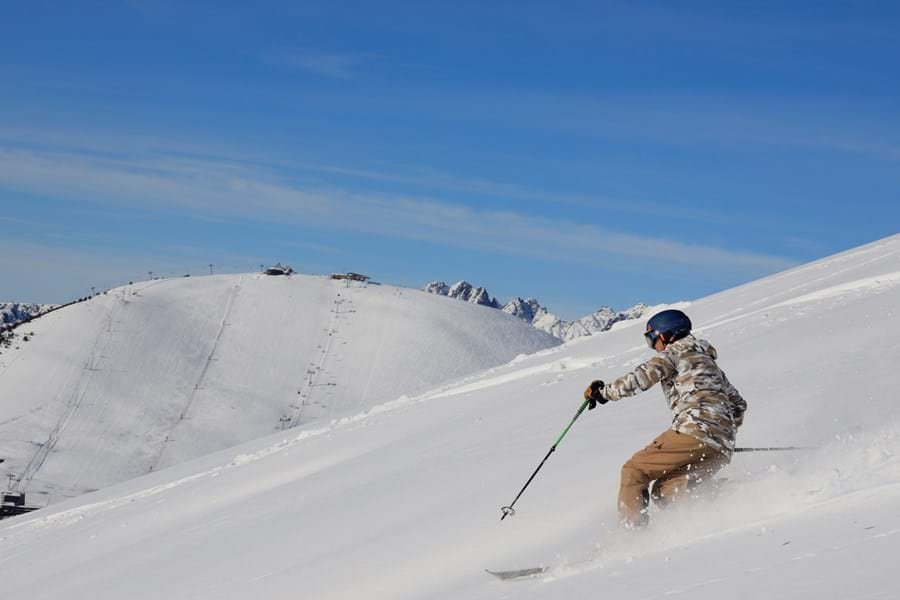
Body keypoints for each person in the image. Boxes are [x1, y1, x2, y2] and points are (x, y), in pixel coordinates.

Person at [583, 309, 746, 528]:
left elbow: (641, 377)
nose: (653, 346)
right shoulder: (709, 363)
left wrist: (602, 393)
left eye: (652, 338)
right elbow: (738, 405)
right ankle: (734, 493)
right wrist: (719, 435)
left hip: (693, 429)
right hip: (723, 445)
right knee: (664, 491)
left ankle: (632, 537)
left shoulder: (673, 353)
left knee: (634, 471)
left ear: (666, 335)